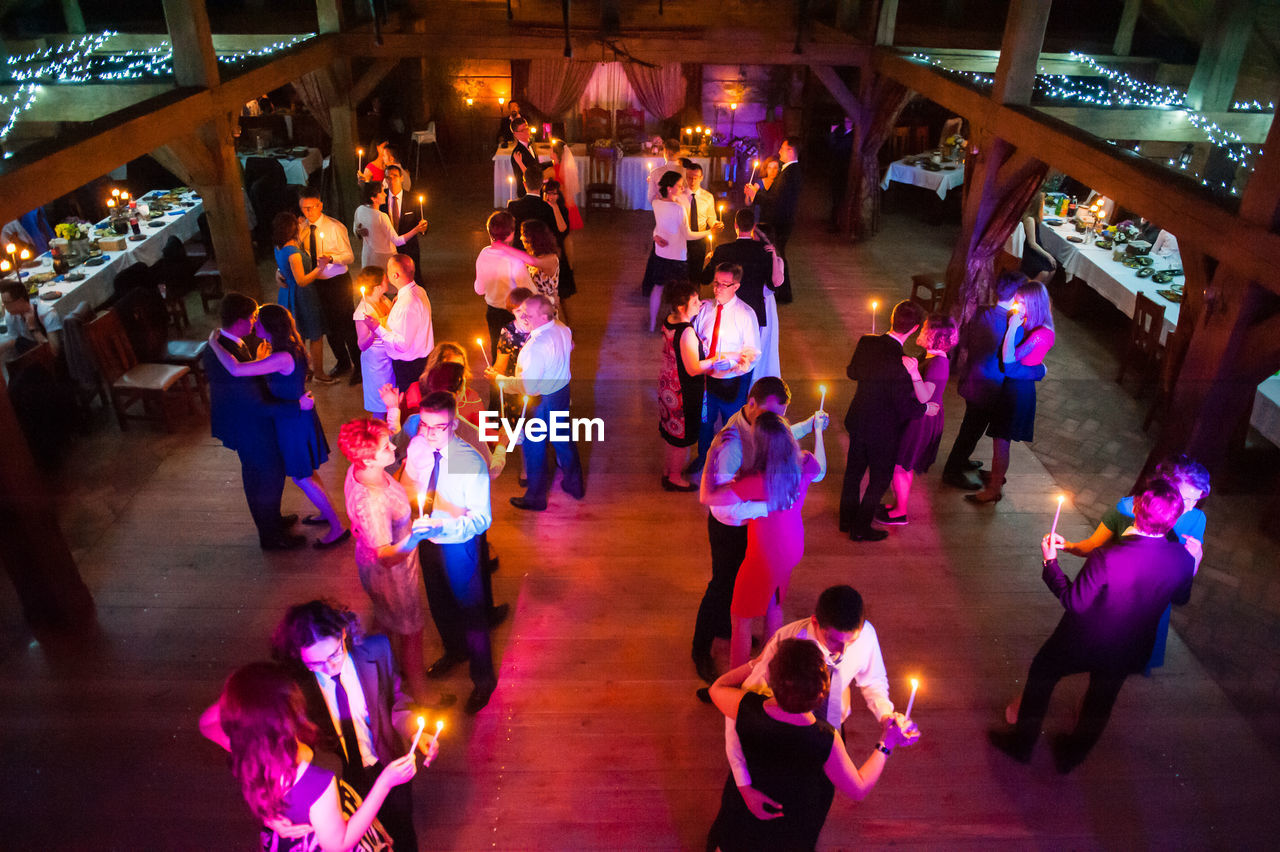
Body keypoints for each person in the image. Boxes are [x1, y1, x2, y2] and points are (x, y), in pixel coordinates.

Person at [989, 479, 1196, 773]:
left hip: (1083, 639)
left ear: (1137, 508)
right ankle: (1071, 756)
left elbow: (1075, 601)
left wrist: (1051, 565)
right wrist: (1193, 561)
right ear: (1174, 519)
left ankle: (1022, 745)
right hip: (1131, 645)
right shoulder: (1183, 559)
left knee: (1043, 673)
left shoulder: (1109, 557)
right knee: (1101, 698)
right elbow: (1181, 597)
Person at [199, 601, 436, 851]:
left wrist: (413, 731)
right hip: (333, 781)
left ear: (344, 633)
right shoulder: (289, 684)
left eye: (334, 654)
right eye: (316, 663)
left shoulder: (378, 650)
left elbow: (396, 700)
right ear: (298, 655)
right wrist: (268, 815)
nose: (330, 667)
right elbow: (218, 722)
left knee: (402, 832)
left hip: (383, 763)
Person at [707, 639, 918, 852]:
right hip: (794, 817)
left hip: (747, 800)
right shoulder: (825, 738)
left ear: (769, 677)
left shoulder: (747, 708)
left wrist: (756, 662)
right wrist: (886, 742)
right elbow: (858, 789)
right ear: (822, 691)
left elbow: (717, 687)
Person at [691, 377, 827, 687]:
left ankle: (739, 682)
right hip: (754, 534)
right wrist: (814, 429)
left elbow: (709, 496)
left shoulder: (764, 459)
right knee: (730, 589)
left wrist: (763, 506)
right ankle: (704, 650)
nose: (777, 422)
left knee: (747, 607)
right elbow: (722, 510)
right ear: (751, 403)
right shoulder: (736, 445)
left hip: (762, 540)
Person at [725, 586, 906, 812]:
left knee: (817, 798)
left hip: (830, 730)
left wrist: (885, 715)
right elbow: (741, 713)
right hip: (785, 736)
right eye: (833, 641)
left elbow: (873, 681)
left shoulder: (866, 635)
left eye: (851, 642)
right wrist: (743, 782)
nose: (842, 652)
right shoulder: (786, 644)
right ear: (814, 622)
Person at [207, 304, 349, 550]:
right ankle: (326, 514)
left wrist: (213, 343)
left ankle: (337, 527)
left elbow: (235, 369)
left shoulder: (281, 357)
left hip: (292, 423)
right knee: (306, 475)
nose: (254, 325)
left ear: (270, 327)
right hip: (294, 419)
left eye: (258, 321)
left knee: (302, 477)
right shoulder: (286, 348)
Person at [1062, 455, 1208, 672]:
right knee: (1075, 652)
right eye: (1185, 498)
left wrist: (1196, 557)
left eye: (1196, 500)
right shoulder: (1127, 509)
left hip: (1150, 602)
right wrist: (1066, 546)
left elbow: (1186, 576)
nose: (1189, 507)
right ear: (1165, 485)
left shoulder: (1196, 519)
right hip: (1115, 596)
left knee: (1118, 663)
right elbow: (1093, 546)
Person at [404, 390, 500, 714]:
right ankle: (454, 650)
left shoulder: (467, 463)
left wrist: (443, 527)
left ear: (454, 424)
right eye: (425, 426)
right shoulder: (418, 446)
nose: (430, 434)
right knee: (438, 601)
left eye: (438, 427)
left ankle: (483, 679)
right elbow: (409, 481)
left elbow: (482, 518)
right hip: (427, 541)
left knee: (471, 611)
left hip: (458, 545)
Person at [338, 416, 437, 702]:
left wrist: (393, 412)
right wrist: (416, 537)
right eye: (385, 446)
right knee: (411, 631)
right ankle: (420, 696)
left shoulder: (359, 469)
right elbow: (385, 556)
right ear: (369, 460)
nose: (392, 446)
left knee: (385, 621)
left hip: (373, 567)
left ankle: (378, 676)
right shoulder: (373, 502)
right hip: (392, 575)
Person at [205, 292, 308, 551]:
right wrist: (296, 405)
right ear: (239, 320)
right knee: (265, 479)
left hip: (245, 423)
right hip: (250, 429)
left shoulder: (228, 343)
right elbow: (256, 405)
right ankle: (271, 537)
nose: (254, 322)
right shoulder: (226, 349)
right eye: (251, 318)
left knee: (263, 478)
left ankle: (272, 521)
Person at [839, 300, 932, 542]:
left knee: (853, 473)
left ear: (892, 318)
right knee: (879, 480)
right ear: (914, 329)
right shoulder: (904, 363)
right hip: (883, 431)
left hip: (859, 419)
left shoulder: (866, 342)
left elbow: (852, 372)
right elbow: (903, 407)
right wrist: (923, 408)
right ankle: (860, 528)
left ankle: (846, 519)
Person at [940, 271, 1037, 490]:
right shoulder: (1013, 327)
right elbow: (1014, 360)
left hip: (972, 379)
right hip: (990, 388)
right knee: (970, 430)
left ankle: (961, 461)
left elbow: (964, 343)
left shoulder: (982, 312)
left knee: (971, 428)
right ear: (1017, 298)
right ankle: (952, 471)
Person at [493, 294, 585, 511]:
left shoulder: (535, 347)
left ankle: (535, 497)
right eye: (522, 311)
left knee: (534, 448)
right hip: (561, 391)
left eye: (529, 314)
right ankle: (575, 484)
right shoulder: (562, 328)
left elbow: (529, 387)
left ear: (544, 316)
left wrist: (502, 381)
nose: (523, 317)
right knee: (563, 438)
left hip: (541, 400)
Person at [967, 281, 1055, 504]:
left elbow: (1009, 362)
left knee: (1001, 442)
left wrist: (1013, 327)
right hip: (1011, 386)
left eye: (1022, 301)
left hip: (1017, 392)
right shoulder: (1029, 322)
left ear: (1034, 304)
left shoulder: (1042, 334)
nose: (1017, 304)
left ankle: (994, 489)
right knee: (1000, 440)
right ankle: (997, 477)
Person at [880, 314, 958, 525]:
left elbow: (925, 396)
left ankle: (900, 512)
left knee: (901, 465)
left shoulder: (938, 364)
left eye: (925, 330)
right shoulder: (933, 357)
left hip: (921, 422)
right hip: (922, 417)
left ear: (934, 336)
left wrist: (914, 372)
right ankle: (898, 505)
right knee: (904, 465)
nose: (921, 332)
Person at [659, 280, 730, 491]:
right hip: (683, 391)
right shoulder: (686, 332)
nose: (700, 303)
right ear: (682, 307)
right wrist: (715, 360)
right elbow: (693, 368)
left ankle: (668, 470)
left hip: (668, 385)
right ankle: (674, 478)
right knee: (683, 437)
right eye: (696, 300)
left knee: (672, 432)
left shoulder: (669, 321)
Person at [692, 262, 760, 475]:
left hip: (734, 382)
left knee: (733, 425)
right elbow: (694, 337)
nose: (717, 288)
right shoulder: (705, 310)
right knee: (704, 421)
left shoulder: (745, 315)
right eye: (716, 283)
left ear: (736, 286)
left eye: (724, 284)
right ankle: (703, 459)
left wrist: (732, 363)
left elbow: (753, 352)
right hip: (707, 381)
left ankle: (733, 464)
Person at [701, 208, 784, 380]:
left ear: (735, 225)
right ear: (753, 226)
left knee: (726, 354)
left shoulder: (722, 250)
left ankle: (723, 384)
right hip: (754, 311)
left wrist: (708, 261)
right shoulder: (764, 251)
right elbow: (773, 284)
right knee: (749, 357)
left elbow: (704, 279)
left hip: (727, 311)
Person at [644, 171, 721, 333]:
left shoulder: (656, 204)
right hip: (678, 257)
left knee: (657, 288)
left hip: (660, 254)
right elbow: (688, 235)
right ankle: (678, 324)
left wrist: (655, 236)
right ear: (670, 188)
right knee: (680, 293)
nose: (682, 188)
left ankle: (652, 324)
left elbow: (658, 227)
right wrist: (709, 231)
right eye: (679, 186)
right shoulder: (679, 209)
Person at [297, 189, 360, 385]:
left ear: (320, 205)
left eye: (312, 207)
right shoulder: (303, 229)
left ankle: (359, 366)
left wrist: (331, 258)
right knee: (329, 326)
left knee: (346, 324)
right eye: (304, 208)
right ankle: (342, 362)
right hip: (317, 284)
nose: (308, 212)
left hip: (337, 282)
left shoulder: (334, 227)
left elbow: (349, 256)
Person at [272, 211, 332, 386]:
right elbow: (302, 280)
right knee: (315, 333)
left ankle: (303, 370)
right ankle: (319, 372)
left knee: (297, 334)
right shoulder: (293, 252)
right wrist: (320, 268)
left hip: (286, 293)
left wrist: (279, 273)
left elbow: (282, 269)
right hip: (302, 296)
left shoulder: (278, 247)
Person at [363, 255, 432, 394]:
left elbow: (402, 345)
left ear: (395, 275)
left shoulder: (406, 305)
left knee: (410, 403)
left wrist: (377, 328)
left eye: (387, 269)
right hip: (421, 360)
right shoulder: (419, 290)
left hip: (409, 366)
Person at [474, 210, 533, 365]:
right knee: (517, 358)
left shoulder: (483, 254)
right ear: (511, 233)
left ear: (489, 232)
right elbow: (529, 292)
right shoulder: (514, 260)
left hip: (493, 312)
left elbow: (479, 289)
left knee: (497, 354)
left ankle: (497, 388)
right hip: (513, 315)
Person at [487, 219, 562, 320]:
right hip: (530, 309)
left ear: (535, 237)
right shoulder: (530, 256)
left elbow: (533, 261)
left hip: (544, 310)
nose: (521, 238)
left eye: (524, 234)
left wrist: (503, 247)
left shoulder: (551, 258)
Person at [352, 182, 427, 271]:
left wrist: (358, 231)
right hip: (384, 258)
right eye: (382, 192)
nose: (385, 194)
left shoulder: (360, 210)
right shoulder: (381, 216)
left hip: (367, 256)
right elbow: (397, 241)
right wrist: (417, 229)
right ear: (373, 199)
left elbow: (355, 229)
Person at [352, 266, 394, 419]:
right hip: (376, 364)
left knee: (392, 400)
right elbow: (362, 345)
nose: (387, 281)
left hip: (390, 356)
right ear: (377, 287)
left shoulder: (384, 299)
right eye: (385, 279)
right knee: (380, 403)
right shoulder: (362, 312)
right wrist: (372, 331)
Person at [380, 165, 424, 283]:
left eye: (394, 176)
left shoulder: (412, 198)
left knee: (413, 279)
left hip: (409, 247)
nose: (391, 180)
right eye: (388, 177)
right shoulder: (381, 198)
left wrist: (423, 228)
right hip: (387, 247)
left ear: (401, 178)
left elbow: (421, 223)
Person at [0, 281, 62, 361]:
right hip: (36, 355)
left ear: (20, 301)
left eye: (7, 303)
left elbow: (54, 352)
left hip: (54, 361)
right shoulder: (11, 316)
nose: (4, 306)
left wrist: (33, 328)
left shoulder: (46, 313)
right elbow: (14, 339)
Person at [540, 178, 577, 305]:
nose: (550, 196)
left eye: (553, 193)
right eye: (547, 193)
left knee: (562, 294)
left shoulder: (562, 209)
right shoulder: (540, 210)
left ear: (558, 195)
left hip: (558, 253)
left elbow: (562, 229)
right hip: (543, 252)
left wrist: (554, 207)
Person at [684, 161, 717, 280]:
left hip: (700, 238)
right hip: (683, 238)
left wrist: (715, 224)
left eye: (695, 178)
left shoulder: (708, 197)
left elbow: (711, 217)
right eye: (689, 177)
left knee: (697, 271)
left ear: (701, 178)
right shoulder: (679, 196)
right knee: (683, 270)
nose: (692, 181)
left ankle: (695, 294)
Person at [506, 167, 558, 240]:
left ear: (524, 184)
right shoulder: (548, 208)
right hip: (540, 249)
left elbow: (509, 232)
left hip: (519, 249)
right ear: (541, 185)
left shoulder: (513, 205)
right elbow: (553, 233)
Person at [1019, 192, 1057, 284]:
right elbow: (1032, 243)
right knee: (1043, 272)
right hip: (1029, 251)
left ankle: (1040, 291)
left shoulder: (1033, 218)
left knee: (1052, 268)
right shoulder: (1029, 219)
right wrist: (1048, 255)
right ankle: (1029, 292)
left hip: (1034, 249)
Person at [546, 140, 583, 230]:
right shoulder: (567, 168)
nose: (549, 151)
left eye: (551, 150)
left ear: (555, 153)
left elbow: (537, 177)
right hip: (568, 201)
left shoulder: (553, 170)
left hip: (559, 202)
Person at [745, 156, 781, 229]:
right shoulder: (759, 183)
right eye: (769, 168)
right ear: (766, 169)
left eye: (775, 168)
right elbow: (748, 203)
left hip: (774, 219)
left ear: (779, 169)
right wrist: (748, 194)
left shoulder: (780, 184)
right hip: (759, 220)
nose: (772, 171)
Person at [509, 118, 537, 198]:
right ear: (515, 134)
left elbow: (535, 165)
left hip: (535, 189)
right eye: (522, 130)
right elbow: (525, 176)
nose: (527, 131)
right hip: (526, 193)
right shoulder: (517, 153)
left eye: (527, 128)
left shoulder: (531, 145)